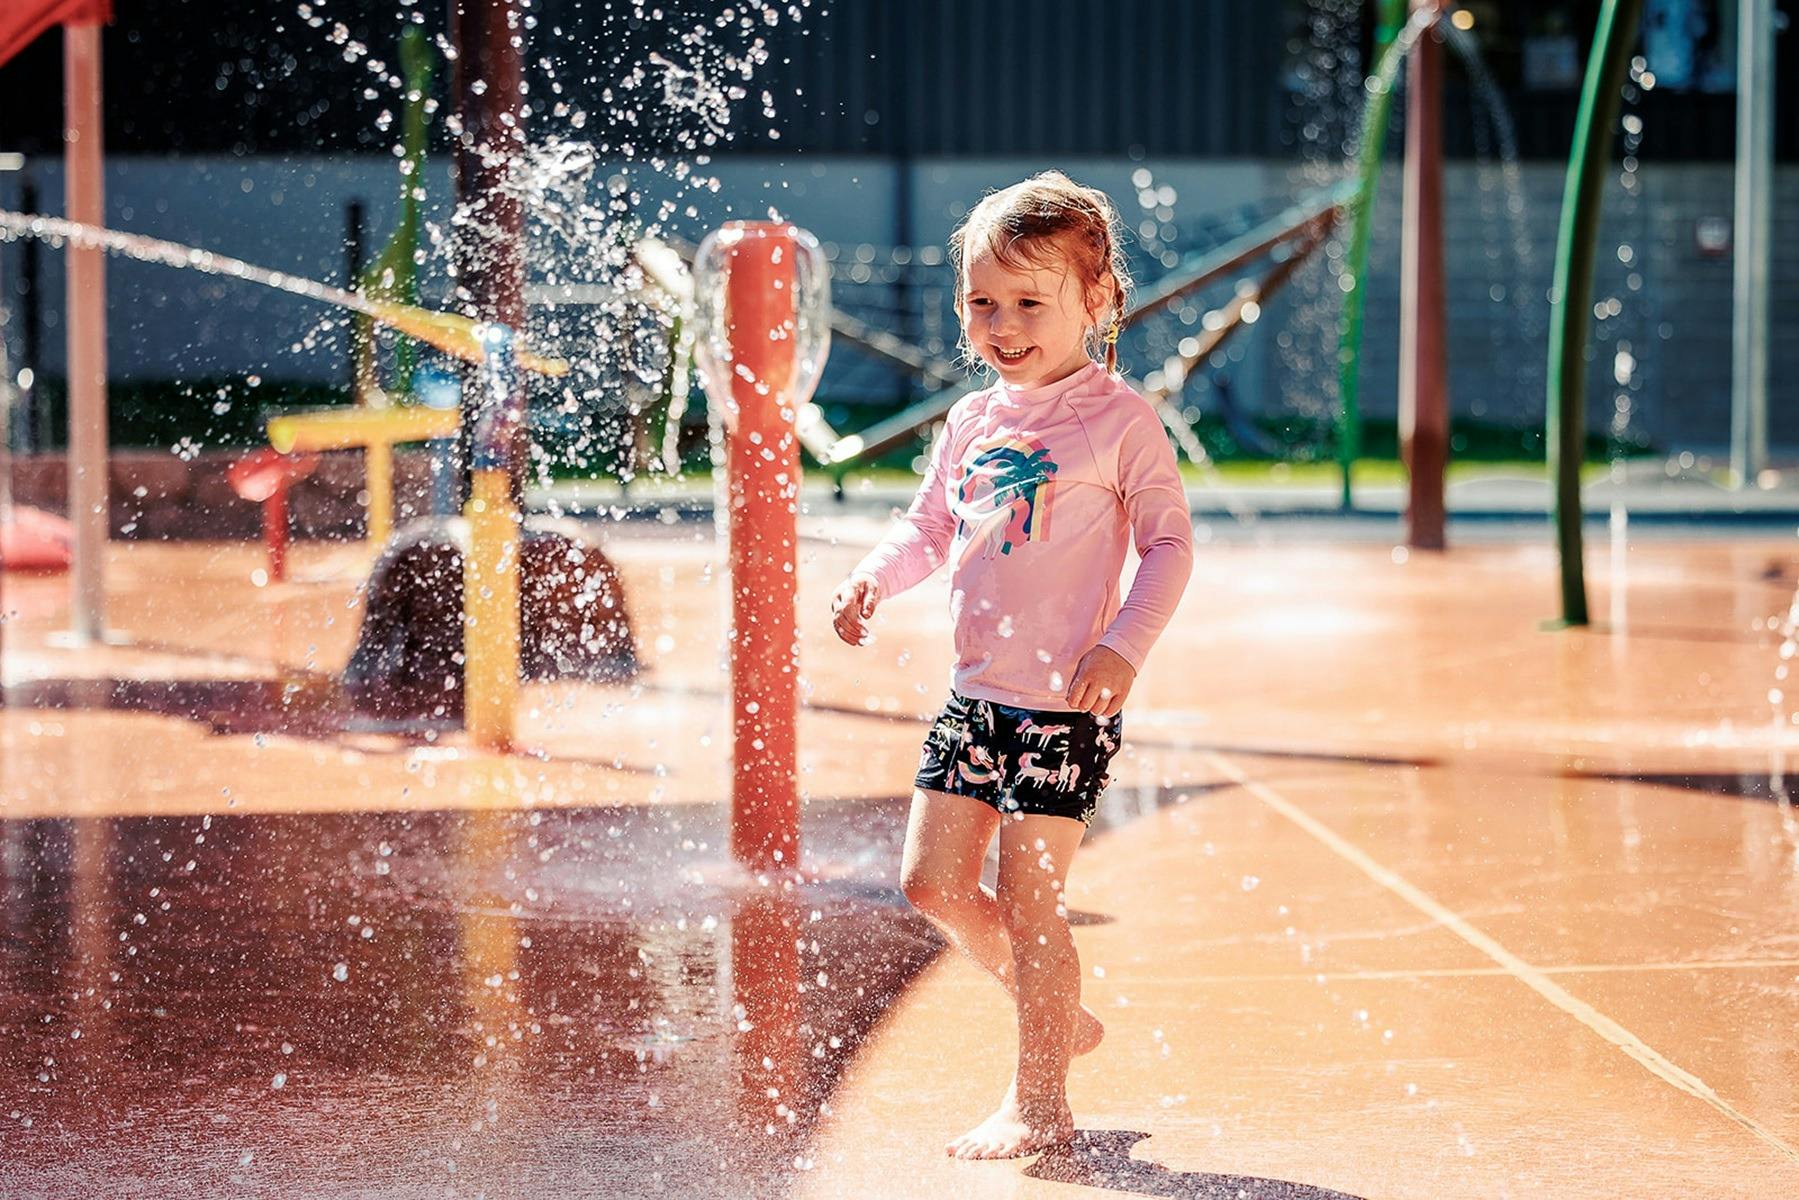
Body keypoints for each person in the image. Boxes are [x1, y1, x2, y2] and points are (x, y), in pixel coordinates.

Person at [830, 171, 1194, 1159]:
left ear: (1096, 300)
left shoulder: (1116, 421)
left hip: (1063, 709)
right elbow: (927, 529)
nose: (1001, 323)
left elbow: (1167, 546)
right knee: (930, 883)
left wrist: (1123, 644)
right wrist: (871, 579)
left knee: (1032, 901)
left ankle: (1039, 1103)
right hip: (974, 698)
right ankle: (1054, 1013)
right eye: (980, 303)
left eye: (1029, 303)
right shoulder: (970, 422)